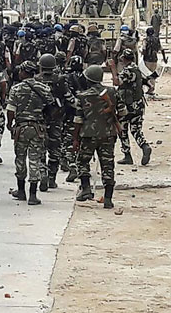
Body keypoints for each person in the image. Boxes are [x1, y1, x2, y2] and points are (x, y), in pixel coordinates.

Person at [73, 65, 125, 208]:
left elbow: (78, 120)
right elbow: (123, 112)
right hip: (108, 134)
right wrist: (112, 119)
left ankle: (86, 189)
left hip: (88, 135)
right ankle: (108, 198)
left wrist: (75, 139)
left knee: (82, 161)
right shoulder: (112, 92)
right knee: (108, 165)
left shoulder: (82, 97)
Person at [6, 61, 55, 206]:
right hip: (37, 128)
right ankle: (33, 195)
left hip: (21, 128)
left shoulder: (16, 89)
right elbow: (52, 108)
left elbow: (10, 109)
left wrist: (10, 124)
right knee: (35, 159)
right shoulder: (44, 88)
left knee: (20, 158)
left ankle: (21, 191)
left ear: (24, 72)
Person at [36, 53, 75, 190]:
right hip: (56, 119)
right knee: (55, 149)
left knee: (40, 148)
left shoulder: (36, 80)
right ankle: (52, 178)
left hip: (39, 120)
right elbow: (70, 99)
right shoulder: (60, 80)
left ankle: (42, 172)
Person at [109, 49, 153, 166]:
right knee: (136, 130)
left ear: (123, 58)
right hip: (138, 104)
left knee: (122, 130)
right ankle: (144, 146)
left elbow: (116, 82)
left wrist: (113, 68)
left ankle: (127, 155)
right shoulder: (137, 69)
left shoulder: (127, 71)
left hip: (126, 106)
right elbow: (149, 84)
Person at [141, 26, 167, 94]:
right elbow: (162, 49)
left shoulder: (145, 40)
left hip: (147, 59)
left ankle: (149, 87)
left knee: (145, 74)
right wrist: (164, 59)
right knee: (152, 75)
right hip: (154, 59)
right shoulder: (157, 40)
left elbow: (144, 49)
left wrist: (142, 54)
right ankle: (152, 90)